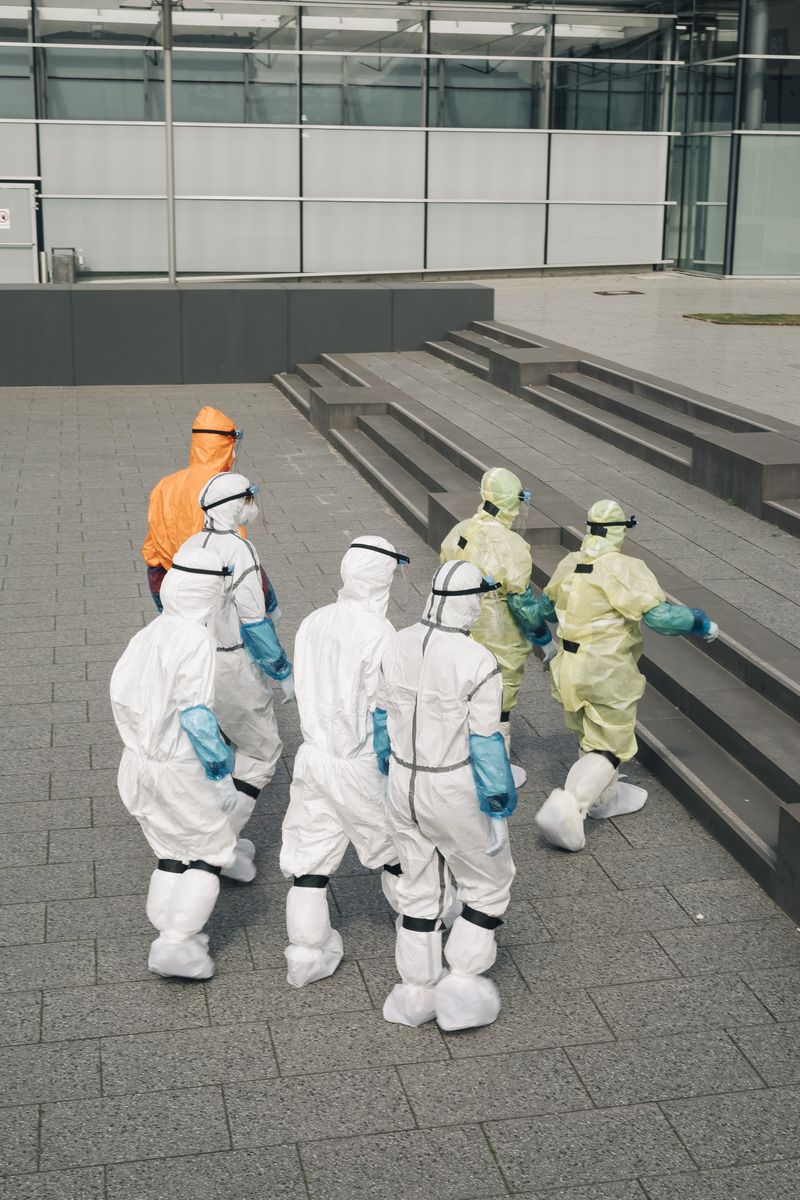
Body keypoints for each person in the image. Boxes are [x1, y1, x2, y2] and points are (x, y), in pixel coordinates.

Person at [378, 560, 517, 1032]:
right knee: (488, 882)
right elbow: (485, 742)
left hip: (402, 781)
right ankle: (461, 987)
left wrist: (389, 771)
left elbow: (380, 718)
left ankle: (416, 993)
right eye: (479, 597)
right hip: (451, 783)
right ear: (469, 601)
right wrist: (498, 805)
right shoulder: (477, 659)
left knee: (419, 885)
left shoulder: (395, 641)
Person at [534, 500, 719, 853]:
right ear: (621, 530)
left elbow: (545, 608)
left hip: (567, 667)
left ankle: (606, 798)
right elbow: (660, 618)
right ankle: (570, 805)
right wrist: (700, 621)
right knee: (611, 744)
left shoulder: (569, 563)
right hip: (605, 670)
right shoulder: (625, 567)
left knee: (589, 730)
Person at [109, 544, 258, 982]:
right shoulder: (195, 638)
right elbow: (196, 714)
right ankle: (176, 942)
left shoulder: (151, 632)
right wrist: (219, 773)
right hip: (179, 765)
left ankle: (171, 934)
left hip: (138, 763)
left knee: (171, 850)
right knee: (210, 852)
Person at [279, 537, 409, 988]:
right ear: (384, 578)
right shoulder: (380, 633)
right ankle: (424, 932)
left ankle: (306, 953)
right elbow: (384, 711)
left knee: (309, 854)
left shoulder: (314, 620)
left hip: (314, 757)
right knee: (396, 852)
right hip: (359, 764)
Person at [182, 472, 293, 810]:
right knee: (262, 753)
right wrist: (282, 670)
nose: (252, 506)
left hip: (192, 660)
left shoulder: (190, 545)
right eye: (248, 499)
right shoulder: (239, 549)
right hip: (230, 663)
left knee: (213, 747)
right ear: (232, 506)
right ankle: (221, 844)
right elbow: (254, 622)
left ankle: (203, 830)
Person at [440, 467, 552, 788]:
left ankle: (460, 761)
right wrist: (543, 636)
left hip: (459, 626)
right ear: (513, 503)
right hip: (497, 632)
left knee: (464, 696)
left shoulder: (460, 530)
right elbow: (520, 601)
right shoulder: (512, 545)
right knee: (497, 702)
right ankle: (493, 773)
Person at [142, 407, 278, 618]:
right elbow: (235, 545)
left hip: (166, 575)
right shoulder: (223, 489)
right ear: (225, 446)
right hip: (211, 579)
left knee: (179, 634)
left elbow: (155, 534)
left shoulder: (165, 484)